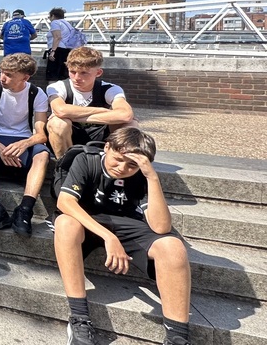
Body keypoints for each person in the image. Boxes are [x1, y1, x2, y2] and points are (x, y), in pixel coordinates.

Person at [54, 128, 191, 345]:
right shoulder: (86, 160)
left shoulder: (142, 174)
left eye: (131, 165)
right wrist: (109, 237)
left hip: (128, 222)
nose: (122, 168)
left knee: (173, 247)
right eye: (118, 160)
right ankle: (79, 319)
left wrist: (152, 177)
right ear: (107, 147)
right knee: (65, 223)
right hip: (88, 219)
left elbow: (161, 226)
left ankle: (177, 336)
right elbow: (65, 202)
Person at [0, 53, 50, 236]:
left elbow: (41, 134)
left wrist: (24, 144)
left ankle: (25, 209)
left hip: (22, 138)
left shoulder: (37, 94)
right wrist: (0, 148)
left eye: (9, 75)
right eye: (2, 72)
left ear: (25, 78)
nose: (3, 77)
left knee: (42, 154)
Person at [46, 46, 137, 159]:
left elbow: (125, 115)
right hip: (68, 136)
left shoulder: (110, 89)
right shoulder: (57, 87)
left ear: (98, 72)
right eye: (72, 72)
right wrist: (102, 111)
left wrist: (73, 115)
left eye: (84, 73)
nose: (76, 78)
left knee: (131, 124)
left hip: (100, 136)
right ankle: (64, 164)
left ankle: (118, 161)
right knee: (57, 123)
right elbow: (60, 110)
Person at [46, 7, 75, 82]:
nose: (49, 19)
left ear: (53, 16)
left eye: (49, 17)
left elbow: (57, 37)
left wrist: (53, 51)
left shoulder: (55, 22)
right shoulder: (67, 24)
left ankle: (52, 89)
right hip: (66, 50)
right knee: (63, 75)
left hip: (57, 50)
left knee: (53, 76)